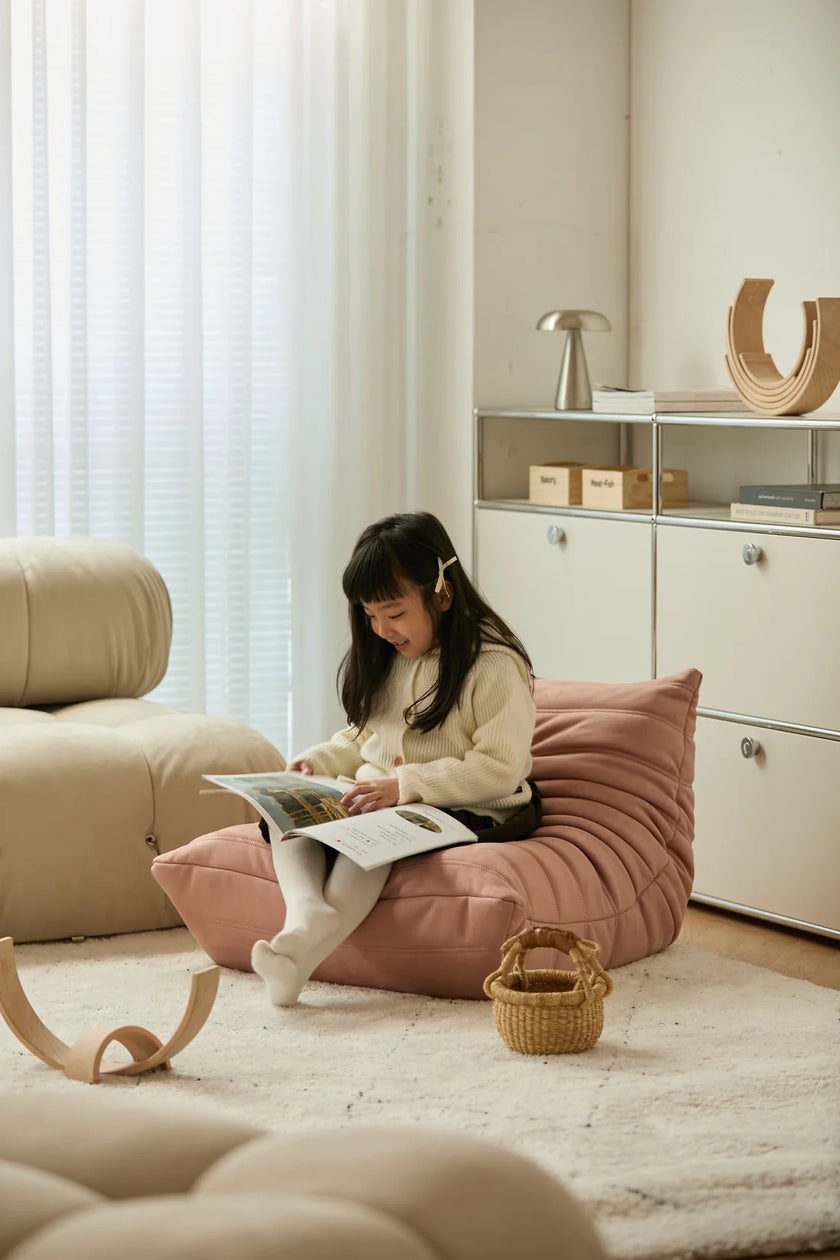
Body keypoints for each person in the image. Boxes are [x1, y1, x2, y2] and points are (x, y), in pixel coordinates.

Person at [251, 510, 541, 1006]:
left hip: (467, 801)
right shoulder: (391, 659)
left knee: (368, 837)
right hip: (383, 794)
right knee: (286, 811)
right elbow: (363, 738)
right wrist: (315, 764)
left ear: (442, 592)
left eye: (394, 612)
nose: (382, 629)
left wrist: (405, 787)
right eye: (370, 616)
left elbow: (500, 767)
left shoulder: (493, 665)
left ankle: (297, 962)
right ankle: (304, 915)